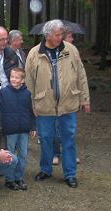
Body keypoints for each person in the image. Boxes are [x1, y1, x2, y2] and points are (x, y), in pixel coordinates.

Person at [25, 19, 90, 188]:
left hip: (68, 104)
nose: (60, 37)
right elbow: (29, 81)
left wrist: (85, 98)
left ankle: (70, 174)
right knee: (46, 138)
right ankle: (46, 169)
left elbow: (81, 75)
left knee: (68, 139)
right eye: (57, 34)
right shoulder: (34, 53)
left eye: (61, 34)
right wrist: (30, 103)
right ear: (47, 35)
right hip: (44, 105)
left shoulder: (71, 50)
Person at [0, 67, 36, 191]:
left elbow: (30, 111)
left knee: (23, 155)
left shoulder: (27, 94)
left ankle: (18, 177)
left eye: (17, 77)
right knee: (10, 155)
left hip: (24, 130)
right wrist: (1, 126)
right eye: (12, 77)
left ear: (23, 80)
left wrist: (33, 126)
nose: (14, 79)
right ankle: (9, 179)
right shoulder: (3, 93)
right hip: (10, 130)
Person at [52, 26, 79, 165]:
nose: (72, 39)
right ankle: (55, 153)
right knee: (56, 128)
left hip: (70, 98)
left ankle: (70, 155)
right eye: (70, 37)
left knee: (70, 130)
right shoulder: (53, 53)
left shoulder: (74, 52)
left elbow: (79, 73)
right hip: (55, 98)